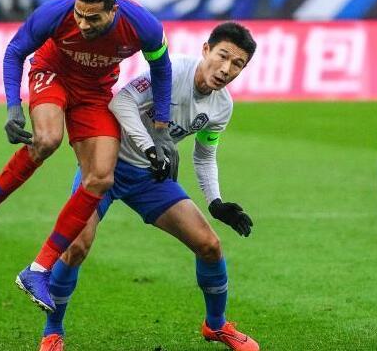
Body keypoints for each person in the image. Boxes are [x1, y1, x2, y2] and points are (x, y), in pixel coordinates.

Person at [0, 0, 173, 312]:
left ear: (113, 11)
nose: (83, 24)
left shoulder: (144, 26)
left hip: (95, 93)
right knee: (47, 139)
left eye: (93, 18)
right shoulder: (56, 12)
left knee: (101, 177)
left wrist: (161, 125)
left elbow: (162, 68)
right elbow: (15, 51)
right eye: (79, 15)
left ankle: (37, 270)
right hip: (52, 75)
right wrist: (13, 107)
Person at [39, 22, 259, 351]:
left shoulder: (222, 107)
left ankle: (216, 325)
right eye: (222, 56)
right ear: (206, 50)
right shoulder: (171, 72)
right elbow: (122, 102)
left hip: (148, 177)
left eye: (237, 64)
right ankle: (52, 332)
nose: (226, 69)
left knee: (210, 245)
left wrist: (216, 202)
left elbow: (204, 155)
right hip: (104, 165)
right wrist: (150, 146)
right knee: (76, 248)